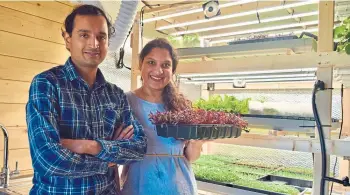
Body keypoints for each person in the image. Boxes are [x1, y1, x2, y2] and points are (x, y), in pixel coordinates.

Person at [25, 4, 146, 195]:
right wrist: (109, 158)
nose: (94, 44)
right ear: (68, 39)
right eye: (84, 35)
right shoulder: (47, 84)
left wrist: (90, 146)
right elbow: (48, 158)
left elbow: (139, 147)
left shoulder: (115, 94)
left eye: (101, 36)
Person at [120, 38, 206, 195]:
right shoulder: (125, 102)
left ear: (172, 71)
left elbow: (190, 157)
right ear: (141, 64)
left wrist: (198, 142)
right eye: (151, 62)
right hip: (139, 185)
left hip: (178, 187)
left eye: (165, 65)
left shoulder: (181, 106)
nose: (158, 71)